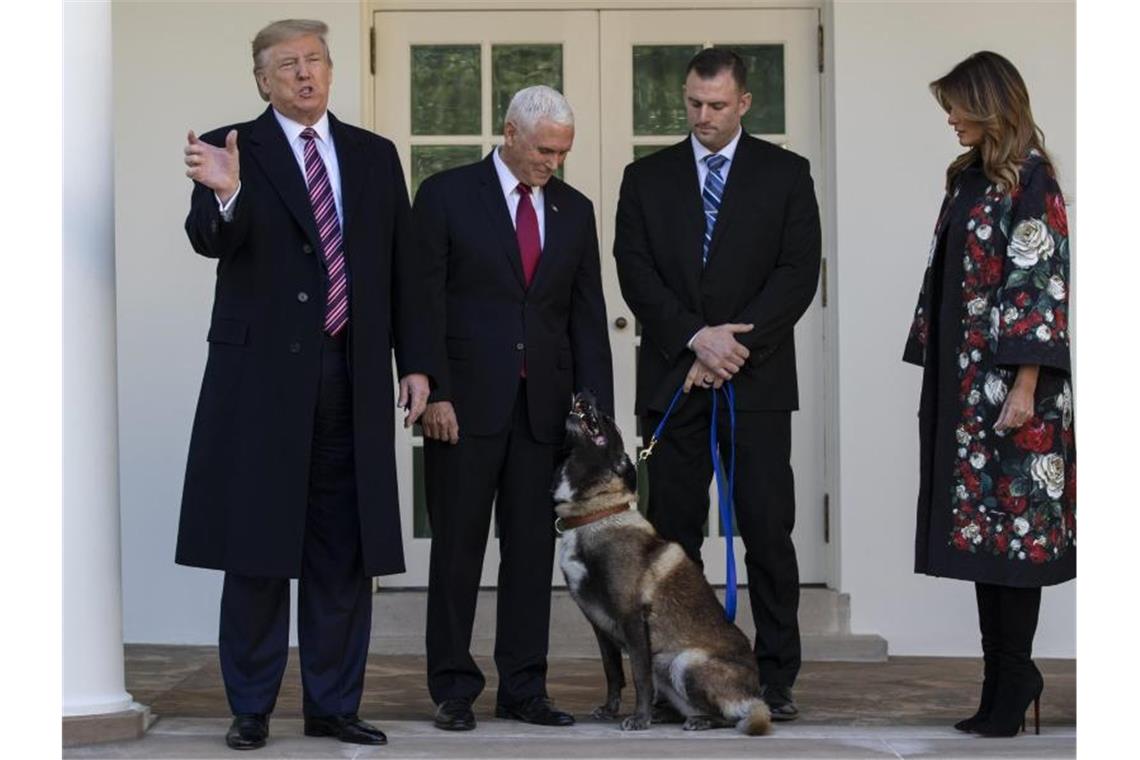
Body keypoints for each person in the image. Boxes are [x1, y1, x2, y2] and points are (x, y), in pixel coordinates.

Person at [176, 19, 432, 751]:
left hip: (351, 371)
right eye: (286, 65)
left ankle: (333, 705)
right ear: (262, 79)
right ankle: (251, 707)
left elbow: (404, 269)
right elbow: (210, 239)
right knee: (258, 547)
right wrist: (226, 196)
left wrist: (416, 363)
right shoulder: (233, 146)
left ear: (330, 68)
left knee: (341, 551)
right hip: (261, 381)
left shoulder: (374, 155)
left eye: (314, 60)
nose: (304, 74)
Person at [613, 48, 821, 722]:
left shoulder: (787, 174)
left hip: (755, 384)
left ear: (744, 104)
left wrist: (733, 345)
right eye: (694, 104)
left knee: (767, 526)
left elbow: (796, 274)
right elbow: (635, 270)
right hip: (674, 381)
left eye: (717, 106)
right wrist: (694, 337)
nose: (703, 116)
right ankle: (679, 674)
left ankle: (777, 674)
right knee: (672, 535)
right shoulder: (645, 177)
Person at [414, 85, 614, 732]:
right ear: (509, 132)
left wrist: (593, 418)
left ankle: (524, 689)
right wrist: (434, 391)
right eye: (542, 149)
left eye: (561, 152)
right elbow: (424, 302)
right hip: (462, 410)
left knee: (529, 557)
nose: (551, 162)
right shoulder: (445, 195)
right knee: (457, 553)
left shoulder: (575, 209)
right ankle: (452, 689)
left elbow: (586, 317)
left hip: (543, 415)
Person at [903, 51, 1075, 738]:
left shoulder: (1033, 180)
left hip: (1015, 392)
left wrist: (1028, 385)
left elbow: (1041, 284)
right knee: (982, 537)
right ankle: (1000, 681)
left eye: (958, 104)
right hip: (967, 386)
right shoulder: (968, 178)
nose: (949, 117)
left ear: (991, 104)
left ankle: (1015, 679)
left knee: (1018, 538)